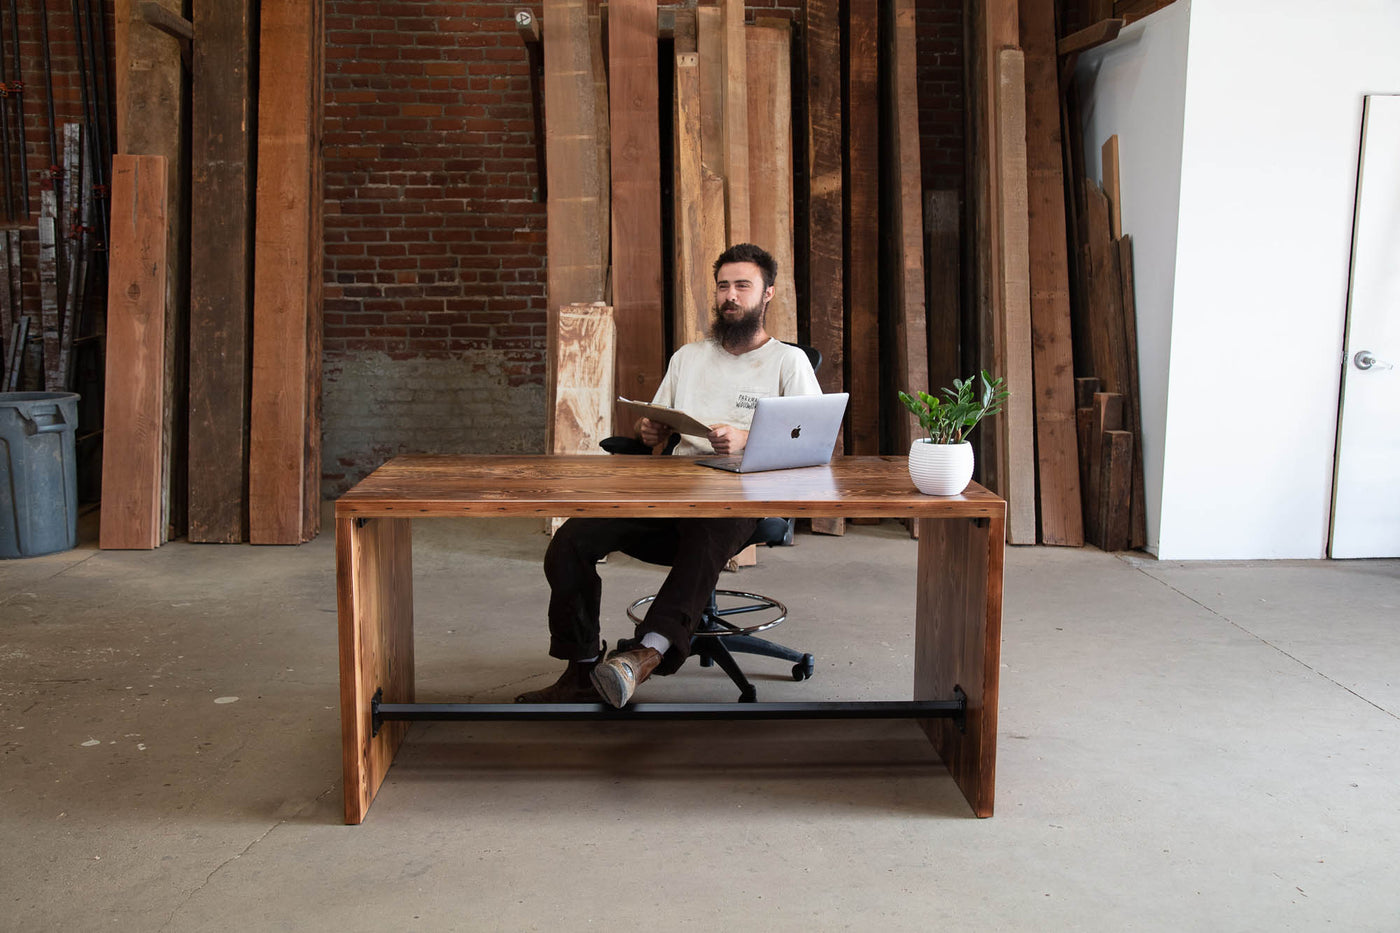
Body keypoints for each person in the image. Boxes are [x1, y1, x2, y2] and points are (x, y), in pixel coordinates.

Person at [517, 243, 822, 708]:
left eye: (744, 285)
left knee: (705, 534)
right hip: (674, 488)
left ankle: (644, 655)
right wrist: (649, 429)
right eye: (724, 286)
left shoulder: (788, 362)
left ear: (768, 295)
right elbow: (657, 429)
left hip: (742, 495)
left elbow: (812, 444)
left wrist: (746, 439)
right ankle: (580, 669)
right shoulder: (688, 358)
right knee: (571, 541)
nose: (731, 296)